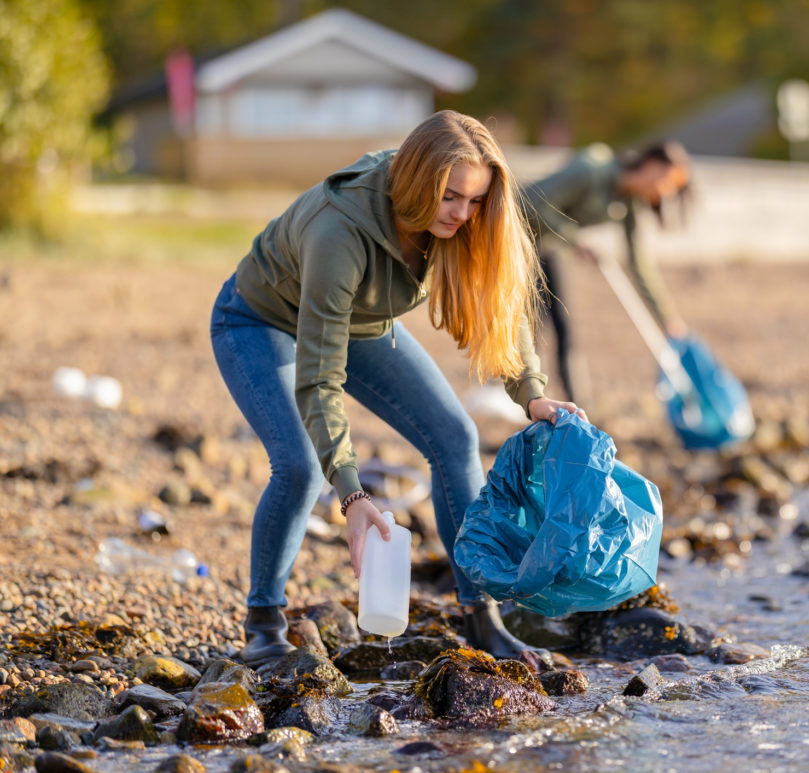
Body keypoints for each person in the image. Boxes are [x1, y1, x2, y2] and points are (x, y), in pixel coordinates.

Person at [209, 110, 585, 667]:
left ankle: (482, 617)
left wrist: (532, 395)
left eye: (476, 200)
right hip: (257, 320)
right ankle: (263, 622)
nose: (462, 213)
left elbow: (501, 309)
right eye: (450, 197)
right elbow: (319, 377)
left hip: (361, 322)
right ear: (416, 183)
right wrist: (353, 494)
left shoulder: (462, 220)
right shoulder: (340, 231)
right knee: (299, 466)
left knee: (455, 436)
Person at [523, 141, 693, 404]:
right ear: (651, 165)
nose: (664, 194)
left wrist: (667, 317)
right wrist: (575, 239)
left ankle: (577, 408)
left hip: (549, 245)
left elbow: (639, 263)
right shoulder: (592, 168)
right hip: (516, 238)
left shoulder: (628, 203)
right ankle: (524, 399)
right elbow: (531, 202)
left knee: (564, 326)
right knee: (531, 325)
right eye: (666, 182)